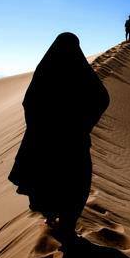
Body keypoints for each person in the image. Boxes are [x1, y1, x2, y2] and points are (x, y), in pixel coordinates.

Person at [8, 32, 110, 241]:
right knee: (75, 183)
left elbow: (29, 102)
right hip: (73, 142)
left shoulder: (45, 68)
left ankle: (53, 219)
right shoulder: (80, 70)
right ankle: (66, 226)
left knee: (49, 181)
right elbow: (101, 97)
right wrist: (82, 124)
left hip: (44, 141)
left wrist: (40, 127)